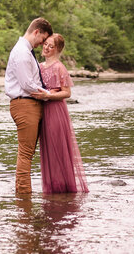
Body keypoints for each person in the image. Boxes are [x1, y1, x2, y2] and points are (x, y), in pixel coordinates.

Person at [32, 33, 89, 193]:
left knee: (58, 147)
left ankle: (63, 189)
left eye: (51, 46)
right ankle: (51, 188)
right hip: (43, 111)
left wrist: (48, 95)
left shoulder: (59, 67)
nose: (46, 48)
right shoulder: (40, 66)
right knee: (47, 149)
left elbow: (67, 93)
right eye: (45, 44)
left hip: (56, 111)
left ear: (58, 50)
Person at [5, 17, 52, 195]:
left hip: (28, 104)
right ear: (36, 32)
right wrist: (49, 95)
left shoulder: (26, 51)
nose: (42, 44)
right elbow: (27, 85)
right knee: (25, 153)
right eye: (42, 39)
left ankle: (24, 196)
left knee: (28, 153)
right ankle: (24, 197)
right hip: (25, 104)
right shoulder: (22, 53)